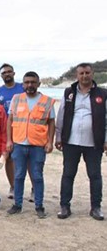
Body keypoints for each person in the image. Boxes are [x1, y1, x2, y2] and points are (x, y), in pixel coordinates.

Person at [55, 63, 106, 221]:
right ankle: (65, 206)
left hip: (94, 143)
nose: (84, 76)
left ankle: (96, 207)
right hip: (71, 141)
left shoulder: (102, 94)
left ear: (92, 74)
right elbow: (61, 115)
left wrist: (105, 140)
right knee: (68, 174)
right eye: (81, 73)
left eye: (87, 73)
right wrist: (58, 137)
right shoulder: (68, 92)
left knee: (95, 175)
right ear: (77, 76)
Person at [6, 71, 55, 218]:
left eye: (33, 82)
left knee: (37, 176)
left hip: (38, 145)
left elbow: (51, 122)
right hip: (19, 144)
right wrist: (9, 140)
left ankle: (39, 206)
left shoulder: (47, 101)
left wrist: (50, 141)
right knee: (19, 175)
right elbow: (10, 120)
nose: (29, 85)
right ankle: (17, 204)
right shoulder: (16, 99)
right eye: (27, 82)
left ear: (38, 84)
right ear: (23, 84)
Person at [0, 64, 24, 199]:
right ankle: (13, 186)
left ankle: (34, 188)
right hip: (5, 129)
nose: (7, 74)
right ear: (1, 75)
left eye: (9, 72)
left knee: (25, 159)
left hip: (22, 127)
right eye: (4, 72)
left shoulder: (22, 88)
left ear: (14, 73)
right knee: (9, 158)